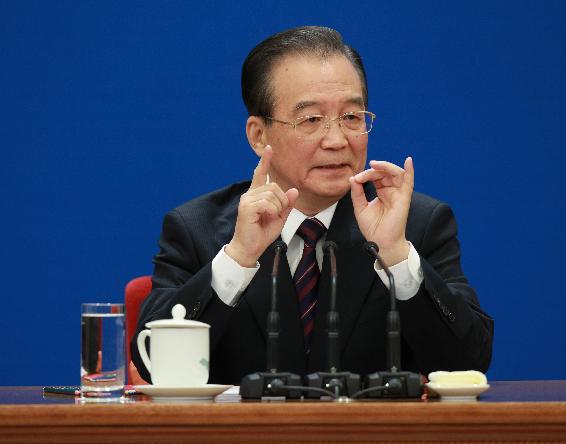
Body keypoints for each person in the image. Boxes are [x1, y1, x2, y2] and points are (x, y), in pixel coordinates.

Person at [131, 26, 493, 385]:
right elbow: (155, 367)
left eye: (351, 118)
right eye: (311, 120)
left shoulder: (415, 224)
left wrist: (397, 256)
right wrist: (238, 258)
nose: (336, 140)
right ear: (258, 135)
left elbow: (468, 363)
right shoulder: (198, 228)